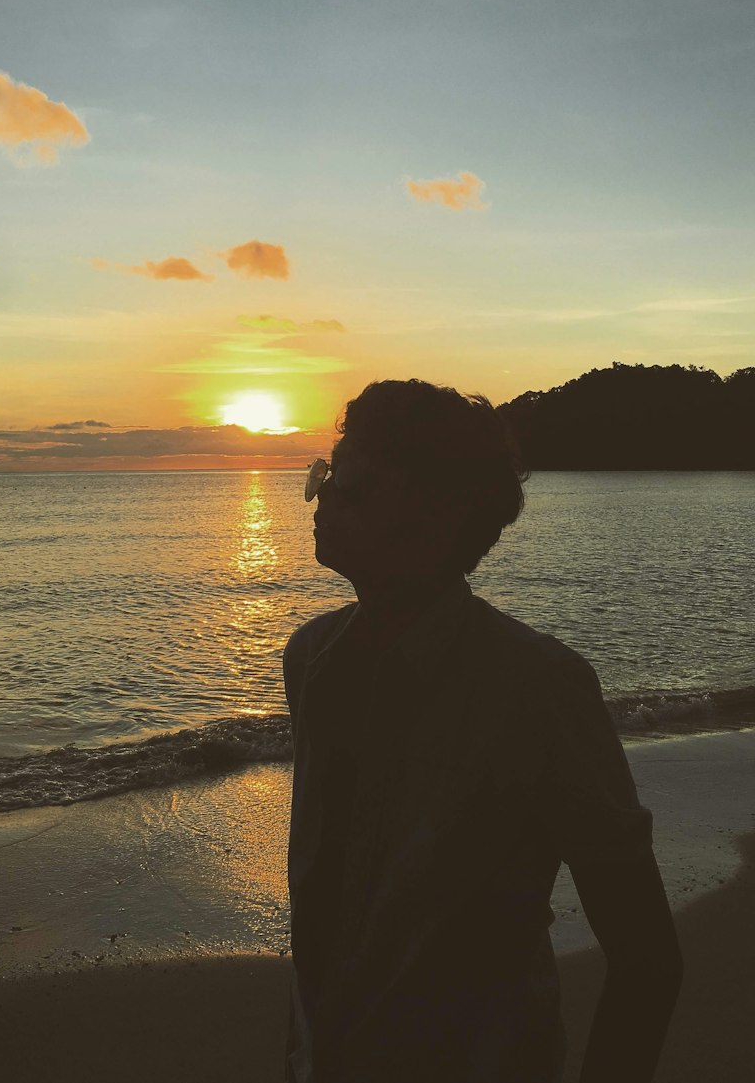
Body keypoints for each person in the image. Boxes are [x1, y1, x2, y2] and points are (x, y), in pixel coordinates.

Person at [283, 380, 682, 1083]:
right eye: (325, 474)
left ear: (433, 516)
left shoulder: (540, 690)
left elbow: (646, 958)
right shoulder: (313, 662)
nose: (321, 495)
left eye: (349, 484)